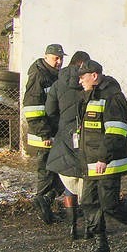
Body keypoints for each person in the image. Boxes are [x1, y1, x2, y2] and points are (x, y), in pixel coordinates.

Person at [77, 59, 127, 252]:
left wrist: (103, 157)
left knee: (110, 205)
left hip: (108, 162)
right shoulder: (90, 95)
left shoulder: (113, 96)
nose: (80, 81)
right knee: (88, 201)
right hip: (91, 161)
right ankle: (101, 242)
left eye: (82, 77)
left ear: (94, 76)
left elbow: (115, 131)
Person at [46, 50, 90, 239]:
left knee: (68, 181)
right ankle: (90, 227)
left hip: (65, 136)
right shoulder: (88, 85)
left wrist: (61, 127)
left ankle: (72, 228)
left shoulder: (57, 84)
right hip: (87, 135)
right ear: (82, 65)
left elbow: (49, 111)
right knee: (88, 182)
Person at [22, 43, 67, 224]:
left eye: (61, 58)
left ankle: (45, 205)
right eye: (56, 58)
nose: (59, 61)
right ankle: (43, 207)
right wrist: (44, 134)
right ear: (46, 57)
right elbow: (32, 108)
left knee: (55, 172)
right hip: (44, 136)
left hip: (53, 133)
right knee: (47, 174)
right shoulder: (39, 75)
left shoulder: (54, 75)